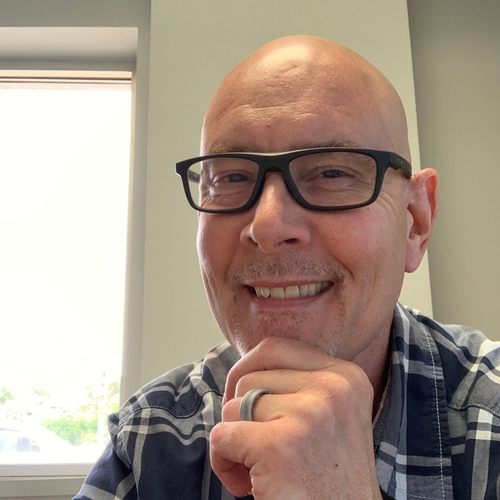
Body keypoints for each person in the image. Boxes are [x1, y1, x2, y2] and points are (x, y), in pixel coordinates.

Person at [75, 35, 500, 500]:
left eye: (332, 173)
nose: (268, 225)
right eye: (231, 177)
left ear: (415, 221)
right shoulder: (148, 443)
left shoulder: (490, 417)